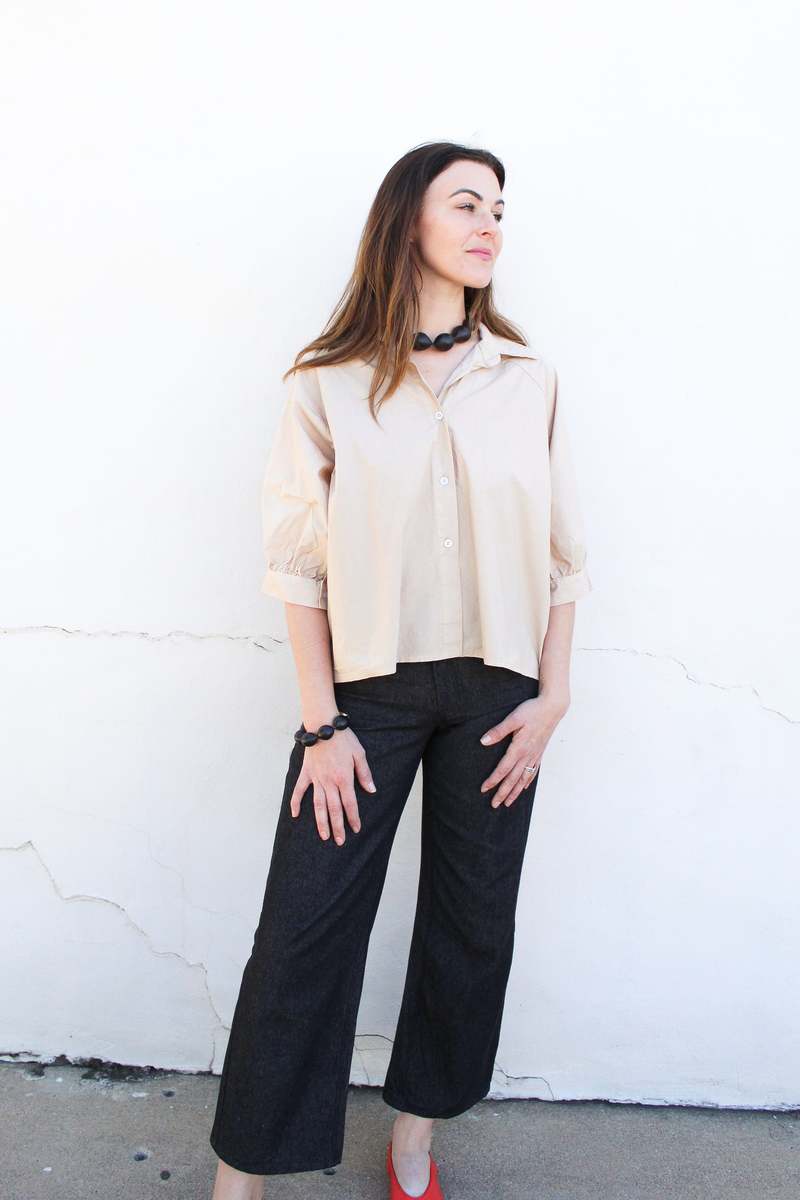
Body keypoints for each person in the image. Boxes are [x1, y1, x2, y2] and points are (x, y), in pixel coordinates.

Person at [208, 140, 593, 1200]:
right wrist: (320, 724)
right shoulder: (325, 383)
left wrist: (553, 696)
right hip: (363, 701)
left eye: (498, 208)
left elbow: (562, 556)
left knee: (471, 925)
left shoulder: (528, 380)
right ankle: (241, 1178)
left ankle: (414, 1140)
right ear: (406, 221)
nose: (489, 225)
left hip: (497, 699)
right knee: (303, 933)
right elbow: (295, 566)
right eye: (466, 204)